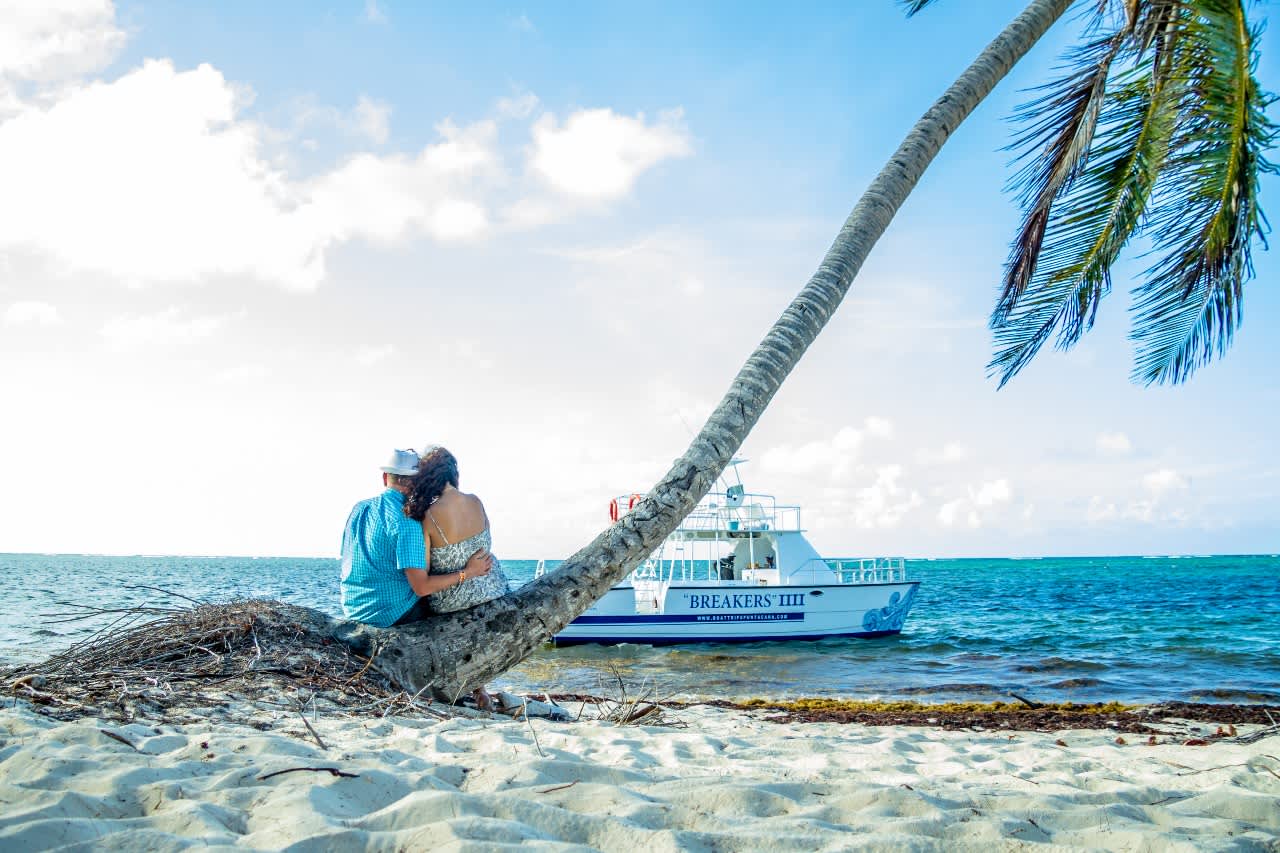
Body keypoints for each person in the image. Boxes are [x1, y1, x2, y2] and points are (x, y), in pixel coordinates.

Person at [403, 445, 511, 710]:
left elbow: (425, 581)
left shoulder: (428, 517)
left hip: (453, 598)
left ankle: (470, 688)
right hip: (491, 588)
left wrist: (463, 572)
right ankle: (481, 689)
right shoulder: (476, 501)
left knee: (426, 604)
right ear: (454, 474)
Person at [340, 448, 493, 629]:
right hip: (389, 614)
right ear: (419, 482)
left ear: (384, 477)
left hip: (352, 609)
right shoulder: (408, 520)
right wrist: (469, 572)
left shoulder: (359, 508)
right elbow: (422, 587)